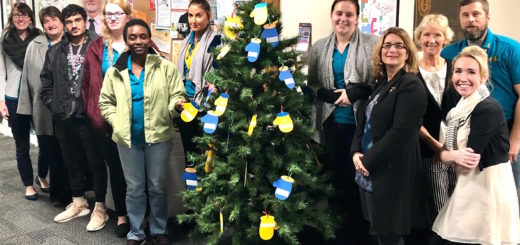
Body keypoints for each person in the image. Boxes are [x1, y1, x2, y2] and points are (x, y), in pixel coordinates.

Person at [99, 19, 185, 245]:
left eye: (142, 36)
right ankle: (136, 232)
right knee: (135, 188)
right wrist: (116, 121)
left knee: (157, 186)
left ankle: (158, 229)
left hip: (158, 137)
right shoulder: (116, 71)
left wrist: (176, 106)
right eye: (133, 37)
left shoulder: (165, 67)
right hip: (127, 140)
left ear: (149, 39)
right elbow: (105, 102)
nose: (138, 41)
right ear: (127, 40)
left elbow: (176, 94)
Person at [432, 45, 520, 245]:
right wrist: (452, 156)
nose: (463, 77)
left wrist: (450, 156)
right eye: (458, 71)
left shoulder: (487, 108)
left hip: (486, 187)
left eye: (471, 72)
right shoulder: (460, 107)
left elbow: (466, 162)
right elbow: (443, 154)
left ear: (484, 77)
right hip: (469, 184)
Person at [307, 0, 377, 243]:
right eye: (339, 13)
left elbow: (381, 82)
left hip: (360, 125)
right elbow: (312, 83)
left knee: (356, 181)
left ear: (357, 17)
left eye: (349, 14)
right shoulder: (318, 47)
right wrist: (324, 94)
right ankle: (336, 233)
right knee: (335, 180)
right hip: (330, 124)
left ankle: (357, 234)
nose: (343, 19)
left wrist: (355, 93)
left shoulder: (372, 44)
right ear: (331, 15)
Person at [351, 27, 426, 245]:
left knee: (390, 233)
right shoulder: (381, 83)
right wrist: (355, 151)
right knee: (377, 229)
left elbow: (400, 132)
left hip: (390, 171)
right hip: (368, 169)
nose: (392, 49)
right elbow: (363, 121)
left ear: (408, 53)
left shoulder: (411, 85)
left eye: (398, 45)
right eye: (387, 45)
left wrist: (368, 160)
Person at [40, 4, 107, 231]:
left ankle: (100, 207)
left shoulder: (98, 45)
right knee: (71, 161)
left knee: (96, 163)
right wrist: (54, 105)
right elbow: (46, 83)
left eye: (77, 20)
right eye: (68, 22)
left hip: (89, 115)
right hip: (64, 116)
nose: (73, 25)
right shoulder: (56, 51)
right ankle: (79, 202)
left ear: (85, 20)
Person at [441, 0, 520, 192]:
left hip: (504, 134)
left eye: (476, 14)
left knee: (502, 195)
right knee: (466, 194)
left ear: (487, 17)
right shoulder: (449, 52)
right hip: (464, 131)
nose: (471, 20)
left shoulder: (510, 48)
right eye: (465, 15)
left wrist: (515, 140)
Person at [81, 0, 131, 237]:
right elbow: (88, 85)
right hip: (107, 122)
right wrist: (94, 113)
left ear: (127, 16)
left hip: (139, 121)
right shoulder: (97, 47)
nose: (112, 17)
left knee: (139, 173)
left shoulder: (141, 41)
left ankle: (143, 216)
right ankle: (122, 215)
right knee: (118, 170)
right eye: (108, 14)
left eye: (117, 13)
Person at [16, 6, 72, 207]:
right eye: (46, 21)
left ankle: (72, 194)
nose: (51, 24)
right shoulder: (35, 45)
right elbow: (26, 80)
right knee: (50, 151)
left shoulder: (71, 41)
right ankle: (57, 195)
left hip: (68, 108)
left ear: (62, 21)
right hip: (42, 108)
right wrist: (25, 109)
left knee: (67, 151)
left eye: (54, 19)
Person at [413, 14, 456, 224]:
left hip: (456, 151)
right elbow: (412, 119)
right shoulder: (410, 72)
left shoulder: (456, 68)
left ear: (445, 39)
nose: (432, 39)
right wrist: (437, 146)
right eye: (426, 34)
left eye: (437, 34)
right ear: (419, 38)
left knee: (459, 204)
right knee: (439, 210)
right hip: (427, 151)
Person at [0, 2, 43, 201]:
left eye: (25, 15)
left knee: (46, 141)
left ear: (30, 18)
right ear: (12, 17)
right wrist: (0, 100)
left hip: (38, 97)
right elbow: (0, 73)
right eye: (18, 15)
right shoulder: (4, 39)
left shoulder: (39, 38)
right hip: (14, 98)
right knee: (22, 145)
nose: (21, 18)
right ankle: (28, 184)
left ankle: (42, 175)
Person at [176, 0, 220, 166]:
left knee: (206, 157)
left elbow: (219, 75)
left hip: (204, 106)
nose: (193, 20)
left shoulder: (216, 41)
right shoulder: (186, 41)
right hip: (185, 105)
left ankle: (204, 191)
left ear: (208, 16)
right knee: (190, 156)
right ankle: (191, 189)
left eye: (198, 15)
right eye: (190, 15)